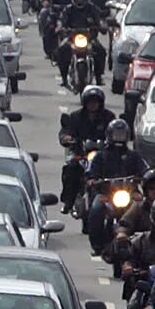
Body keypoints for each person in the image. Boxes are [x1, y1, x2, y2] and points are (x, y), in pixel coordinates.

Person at [57, 85, 114, 213]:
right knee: (71, 169)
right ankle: (68, 202)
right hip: (81, 154)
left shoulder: (109, 117)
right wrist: (66, 137)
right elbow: (66, 130)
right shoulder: (76, 117)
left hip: (102, 156)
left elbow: (117, 132)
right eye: (90, 101)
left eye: (96, 101)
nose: (93, 104)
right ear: (85, 102)